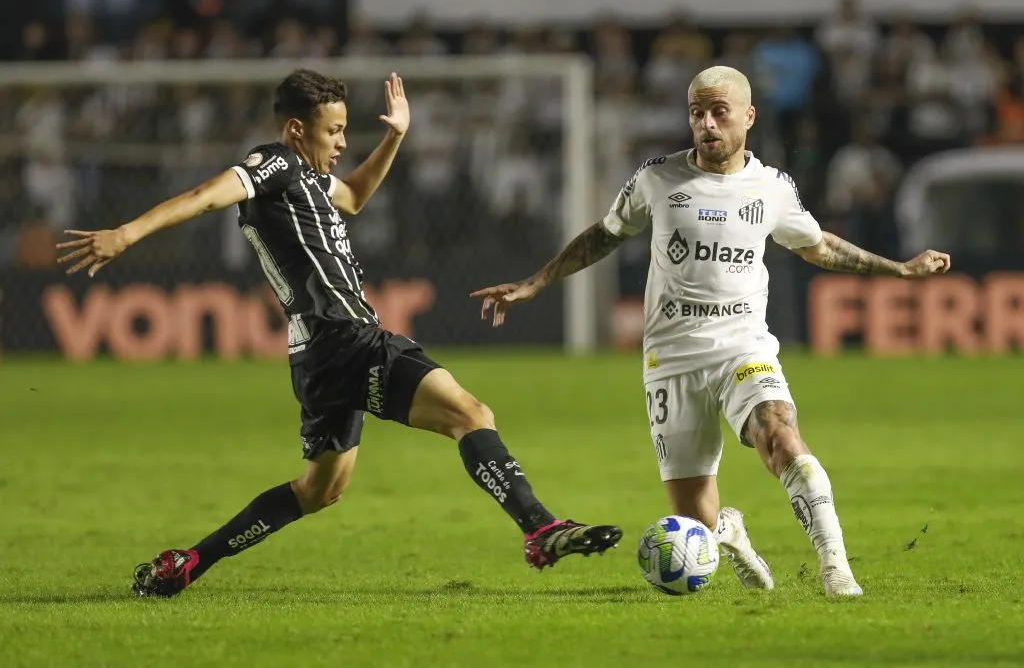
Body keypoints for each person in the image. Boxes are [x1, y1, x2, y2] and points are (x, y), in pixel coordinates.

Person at [56, 69, 622, 598]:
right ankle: (540, 527)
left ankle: (189, 563)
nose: (342, 142)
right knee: (471, 415)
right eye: (334, 130)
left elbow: (353, 197)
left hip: (316, 358)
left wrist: (395, 137)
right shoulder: (274, 163)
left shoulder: (314, 180)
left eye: (346, 129)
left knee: (319, 490)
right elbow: (207, 194)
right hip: (345, 336)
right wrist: (127, 234)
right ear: (298, 129)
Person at [471, 66, 951, 598]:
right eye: (697, 112)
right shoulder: (657, 178)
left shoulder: (769, 188)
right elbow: (604, 236)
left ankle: (836, 567)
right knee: (694, 530)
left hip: (742, 347)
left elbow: (819, 246)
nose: (707, 124)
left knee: (782, 437)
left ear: (748, 117)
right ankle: (730, 531)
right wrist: (536, 282)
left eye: (719, 112)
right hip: (670, 361)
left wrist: (899, 269)